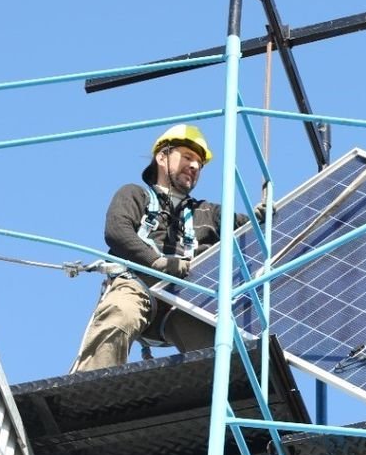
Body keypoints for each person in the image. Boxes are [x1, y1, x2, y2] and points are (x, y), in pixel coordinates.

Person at [70, 124, 249, 373]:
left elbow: (254, 228)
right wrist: (154, 261)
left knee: (215, 349)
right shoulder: (135, 195)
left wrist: (263, 215)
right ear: (162, 156)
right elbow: (117, 231)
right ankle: (88, 388)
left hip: (183, 300)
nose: (195, 166)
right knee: (119, 316)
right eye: (187, 157)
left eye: (199, 163)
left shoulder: (209, 213)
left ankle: (222, 397)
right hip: (138, 284)